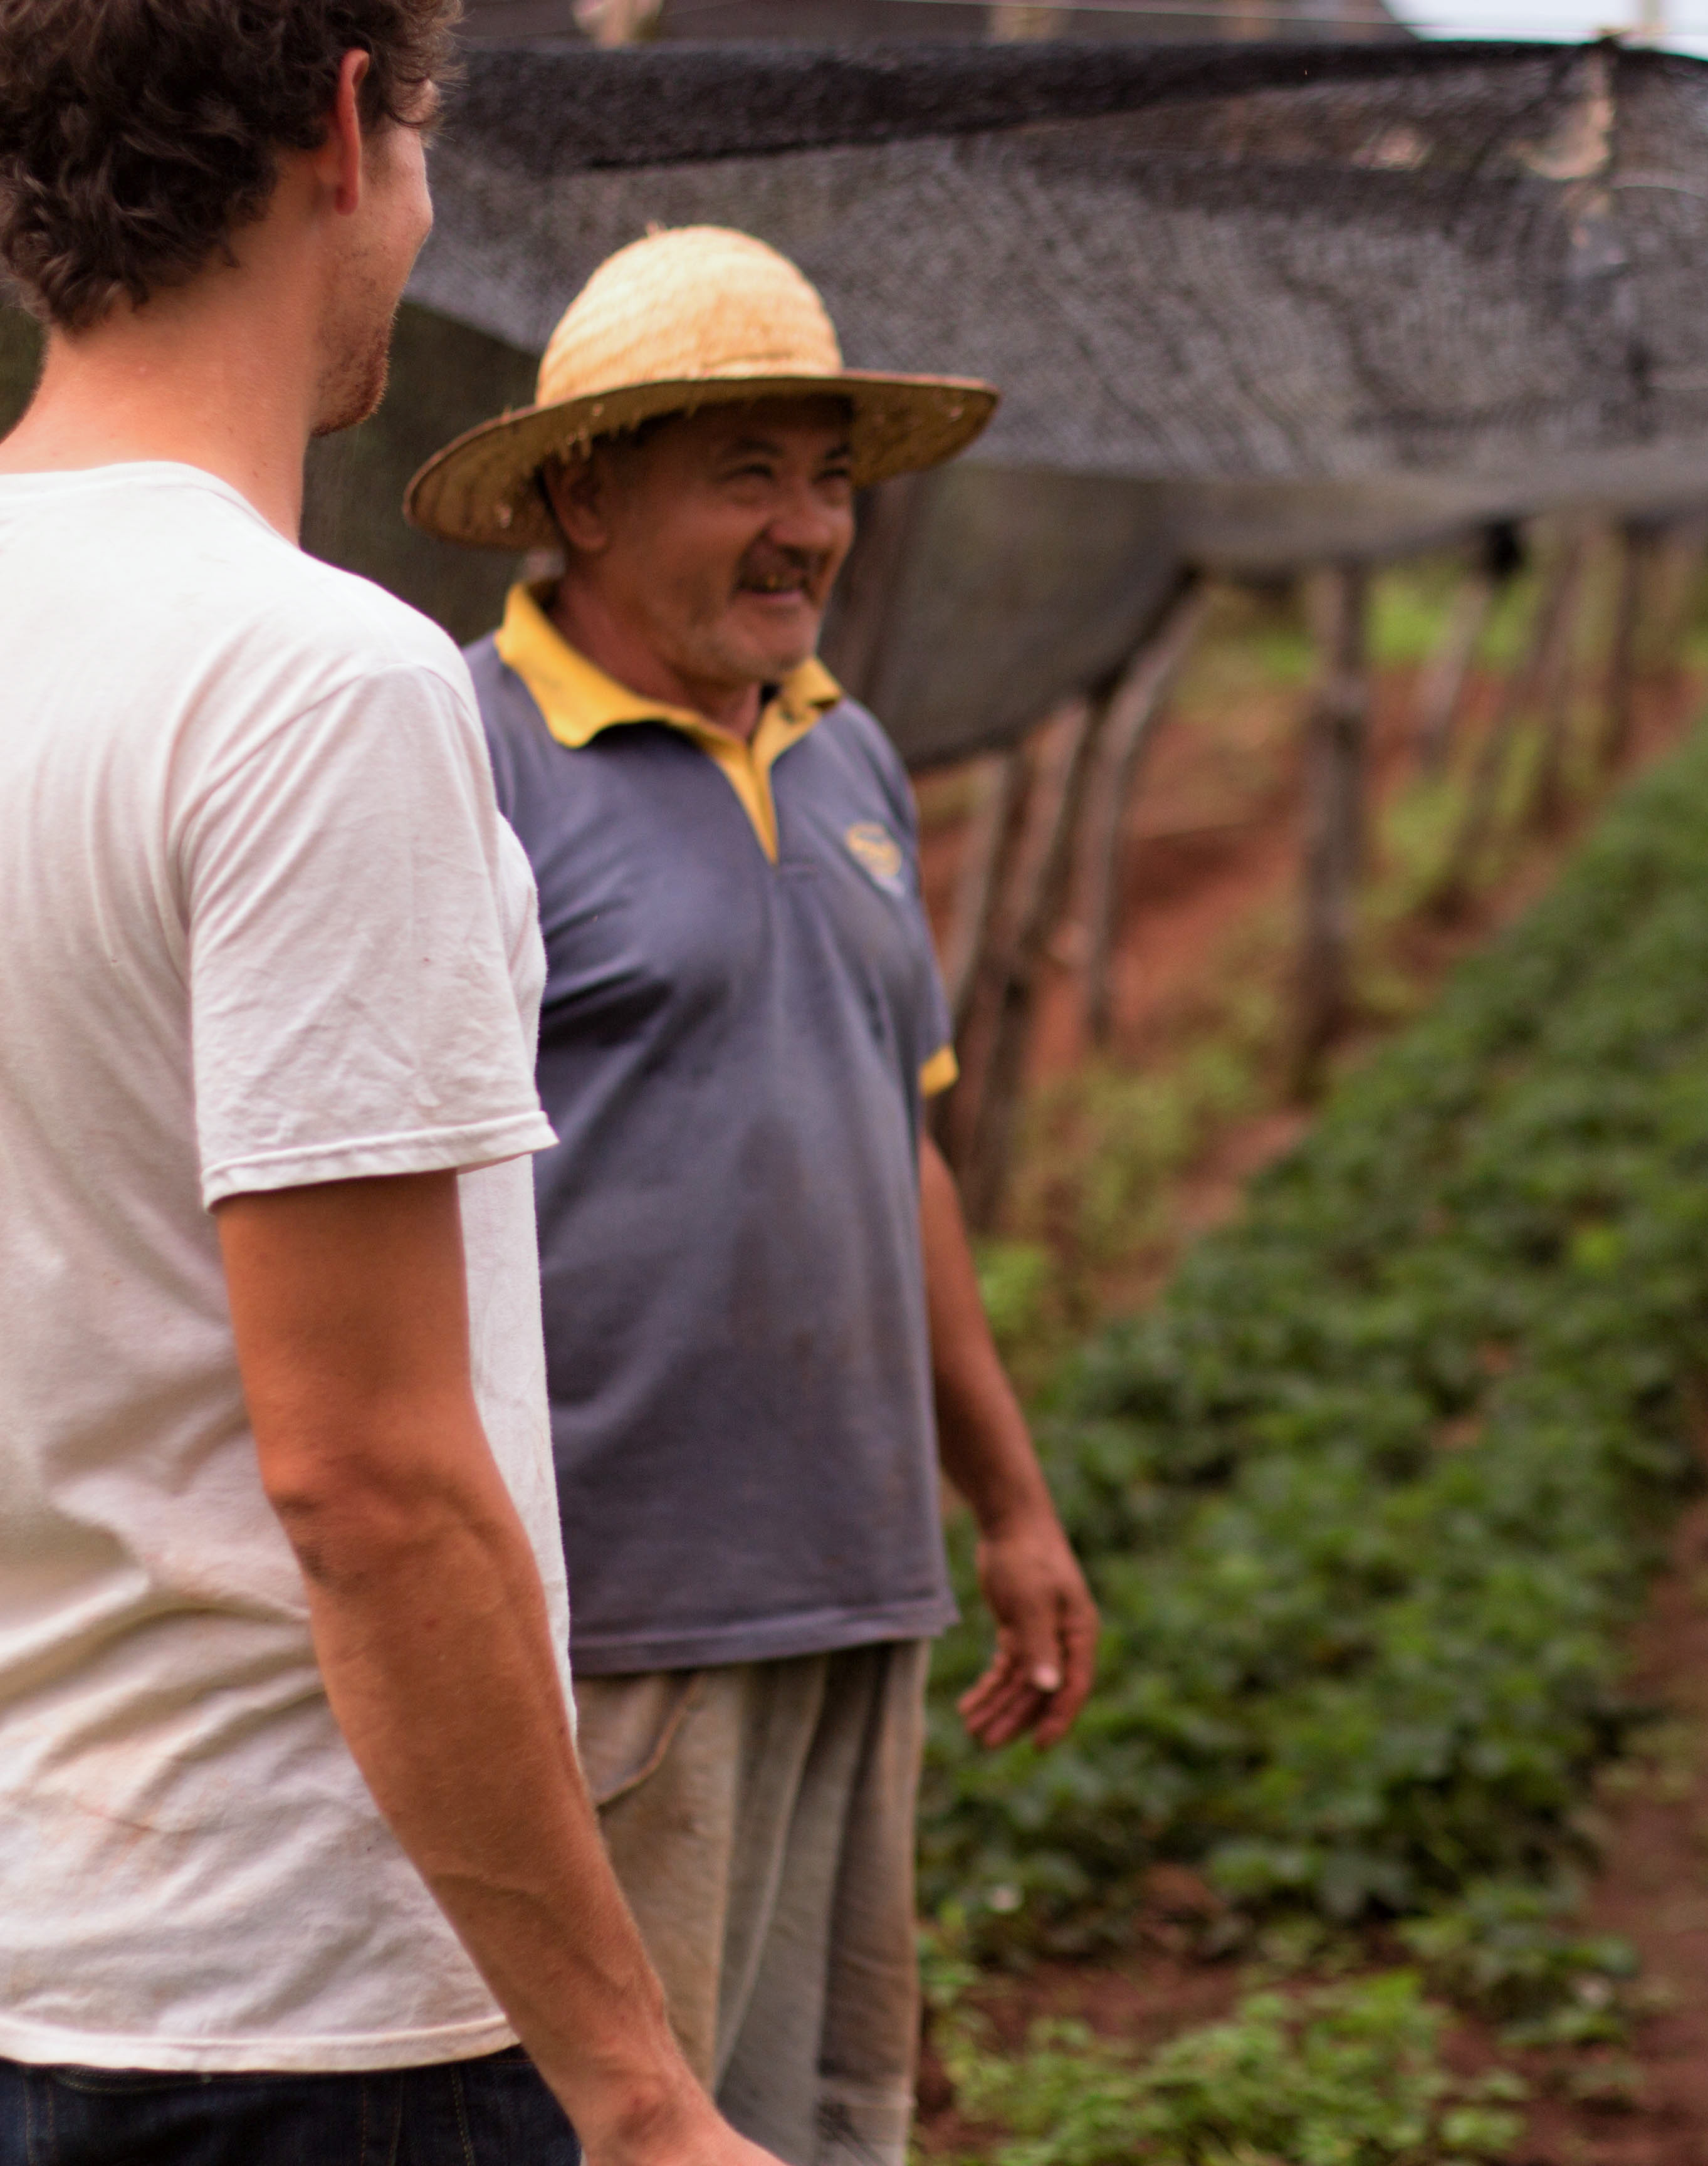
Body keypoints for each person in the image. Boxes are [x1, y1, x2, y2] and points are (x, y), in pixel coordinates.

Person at [0, 5, 784, 2165]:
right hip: (288, 2017)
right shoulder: (310, 680)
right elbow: (366, 1479)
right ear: (349, 128)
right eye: (430, 131)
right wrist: (637, 2094)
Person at [402, 227, 1098, 2166]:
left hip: (857, 1583)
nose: (806, 529)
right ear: (582, 495)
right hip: (625, 1618)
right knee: (633, 2123)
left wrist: (1012, 1503)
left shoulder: (849, 746)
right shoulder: (471, 763)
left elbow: (905, 1150)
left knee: (824, 2117)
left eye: (830, 477)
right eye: (745, 475)